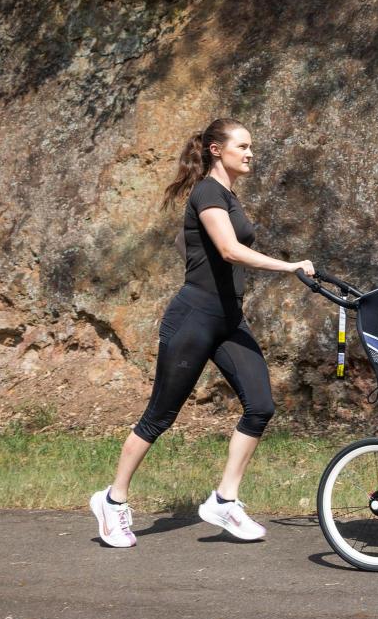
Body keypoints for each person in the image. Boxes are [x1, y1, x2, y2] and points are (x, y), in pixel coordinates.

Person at [90, 118, 314, 547]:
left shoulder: (226, 195)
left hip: (228, 319)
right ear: (217, 149)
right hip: (193, 318)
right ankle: (113, 502)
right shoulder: (208, 192)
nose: (250, 153)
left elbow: (191, 243)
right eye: (242, 146)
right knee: (159, 417)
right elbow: (229, 250)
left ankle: (224, 500)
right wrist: (288, 266)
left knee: (260, 406)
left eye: (251, 147)